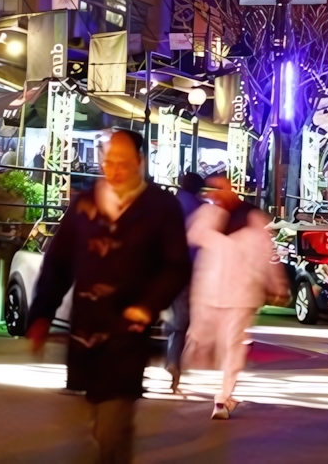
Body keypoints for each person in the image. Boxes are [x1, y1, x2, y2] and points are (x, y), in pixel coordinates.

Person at [27, 130, 188, 460]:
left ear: (140, 163)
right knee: (93, 422)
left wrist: (147, 306)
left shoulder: (160, 206)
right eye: (109, 162)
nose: (114, 171)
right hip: (86, 329)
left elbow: (176, 266)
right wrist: (42, 313)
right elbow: (58, 262)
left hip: (127, 331)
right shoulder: (85, 203)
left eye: (123, 164)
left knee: (111, 425)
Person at [186, 172, 287, 420]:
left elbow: (266, 255)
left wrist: (277, 285)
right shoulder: (210, 216)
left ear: (231, 188)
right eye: (212, 191)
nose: (216, 194)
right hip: (212, 292)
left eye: (220, 188)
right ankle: (219, 394)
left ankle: (222, 398)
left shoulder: (251, 217)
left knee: (231, 346)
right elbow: (192, 237)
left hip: (239, 294)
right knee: (206, 341)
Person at [166, 172, 206, 392]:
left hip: (164, 266)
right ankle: (174, 360)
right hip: (188, 269)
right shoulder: (200, 208)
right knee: (182, 319)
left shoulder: (169, 203)